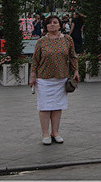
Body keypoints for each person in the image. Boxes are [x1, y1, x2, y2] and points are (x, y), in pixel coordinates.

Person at [28, 15, 79, 145]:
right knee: (45, 107)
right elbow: (35, 59)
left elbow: (73, 56)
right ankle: (45, 133)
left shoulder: (68, 40)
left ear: (60, 25)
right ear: (45, 26)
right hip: (44, 78)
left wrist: (76, 71)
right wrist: (32, 75)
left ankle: (55, 132)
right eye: (49, 23)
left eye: (55, 22)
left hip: (61, 78)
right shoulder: (41, 41)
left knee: (57, 106)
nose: (52, 25)